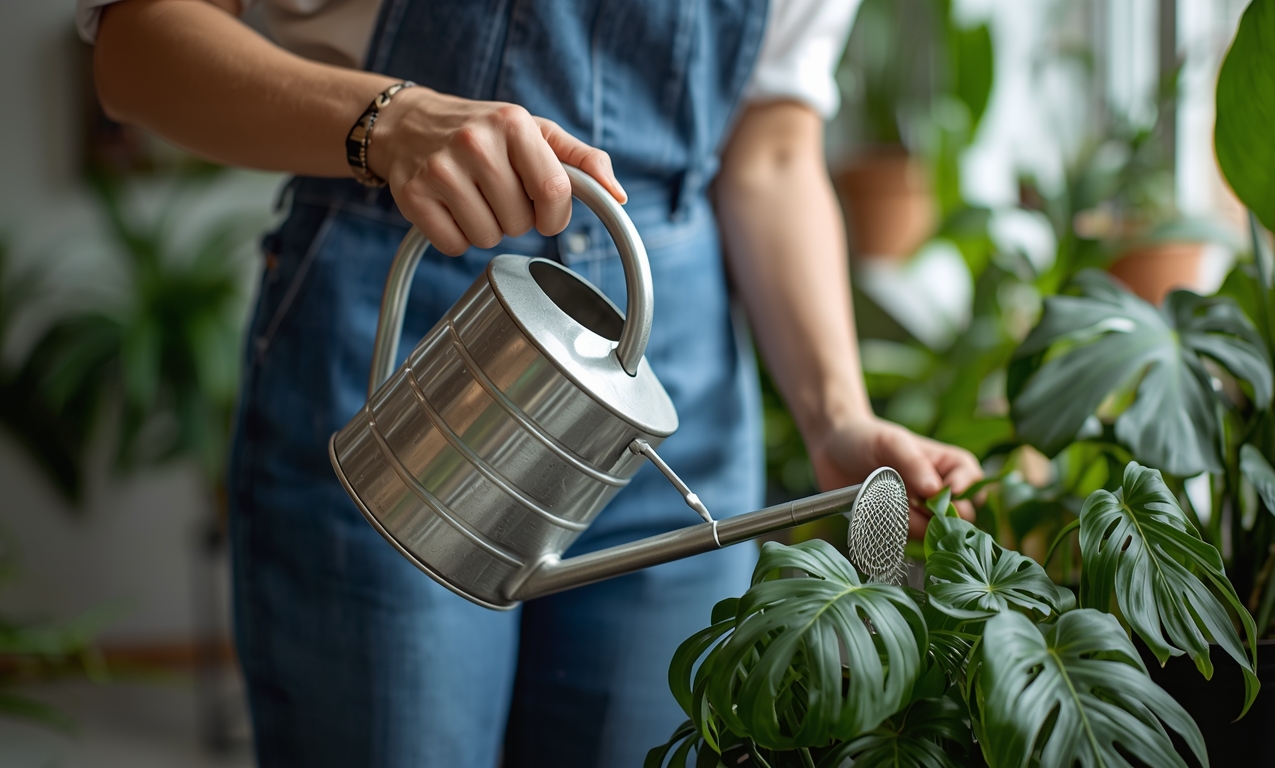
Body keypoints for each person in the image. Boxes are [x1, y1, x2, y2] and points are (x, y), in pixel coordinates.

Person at [80, 0, 984, 765]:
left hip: (662, 358)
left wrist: (836, 413)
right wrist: (386, 120)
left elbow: (774, 150)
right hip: (409, 308)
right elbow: (136, 45)